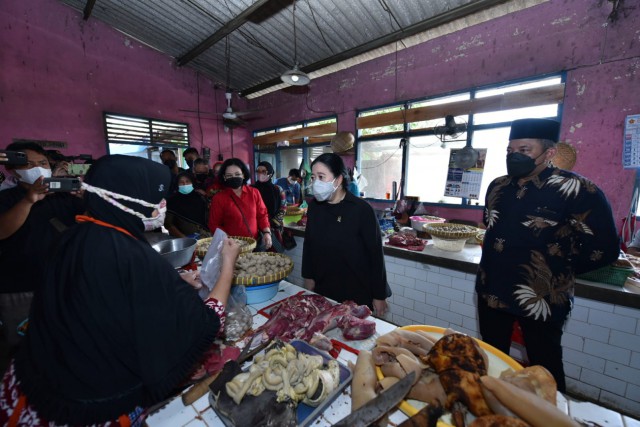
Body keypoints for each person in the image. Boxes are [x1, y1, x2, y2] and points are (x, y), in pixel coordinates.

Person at [0, 155, 242, 426]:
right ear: (128, 198)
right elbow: (205, 321)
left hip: (27, 388)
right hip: (86, 411)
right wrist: (227, 266)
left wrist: (172, 283)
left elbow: (106, 299)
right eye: (154, 198)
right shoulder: (130, 256)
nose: (161, 206)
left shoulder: (74, 235)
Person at [475, 118, 619, 393]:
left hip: (542, 296)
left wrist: (559, 269)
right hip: (492, 289)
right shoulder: (498, 186)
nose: (514, 156)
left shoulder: (579, 190)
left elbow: (605, 249)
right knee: (491, 360)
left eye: (525, 149)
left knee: (545, 369)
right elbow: (492, 228)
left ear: (549, 153)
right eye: (510, 150)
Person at [0, 142, 84, 367]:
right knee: (25, 348)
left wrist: (85, 198)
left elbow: (89, 222)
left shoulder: (61, 198)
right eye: (29, 164)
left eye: (43, 163)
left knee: (68, 340)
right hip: (20, 289)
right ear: (13, 170)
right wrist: (29, 200)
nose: (38, 169)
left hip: (64, 283)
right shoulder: (6, 199)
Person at [302, 153, 391, 315]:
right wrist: (308, 277)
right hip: (324, 288)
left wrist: (379, 295)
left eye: (321, 177)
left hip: (356, 292)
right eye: (313, 178)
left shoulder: (361, 210)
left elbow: (376, 254)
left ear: (338, 179)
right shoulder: (315, 207)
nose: (315, 183)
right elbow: (309, 244)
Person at [208, 158, 272, 250]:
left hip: (255, 244)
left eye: (237, 174)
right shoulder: (219, 198)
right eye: (229, 175)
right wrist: (227, 240)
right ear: (224, 177)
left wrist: (267, 233)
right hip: (232, 247)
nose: (234, 177)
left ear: (243, 175)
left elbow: (262, 215)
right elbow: (214, 224)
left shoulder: (254, 193)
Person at [252, 161, 286, 252]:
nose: (260, 174)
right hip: (255, 228)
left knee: (274, 254)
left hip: (274, 227)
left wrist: (270, 224)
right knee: (257, 255)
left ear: (270, 174)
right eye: (258, 171)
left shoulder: (277, 189)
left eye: (264, 171)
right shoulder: (252, 189)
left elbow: (283, 208)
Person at [165, 171, 210, 238]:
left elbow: (208, 217)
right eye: (181, 182)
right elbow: (168, 224)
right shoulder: (172, 201)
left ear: (192, 183)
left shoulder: (200, 197)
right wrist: (183, 238)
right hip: (182, 240)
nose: (185, 184)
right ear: (177, 185)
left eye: (187, 181)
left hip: (204, 237)